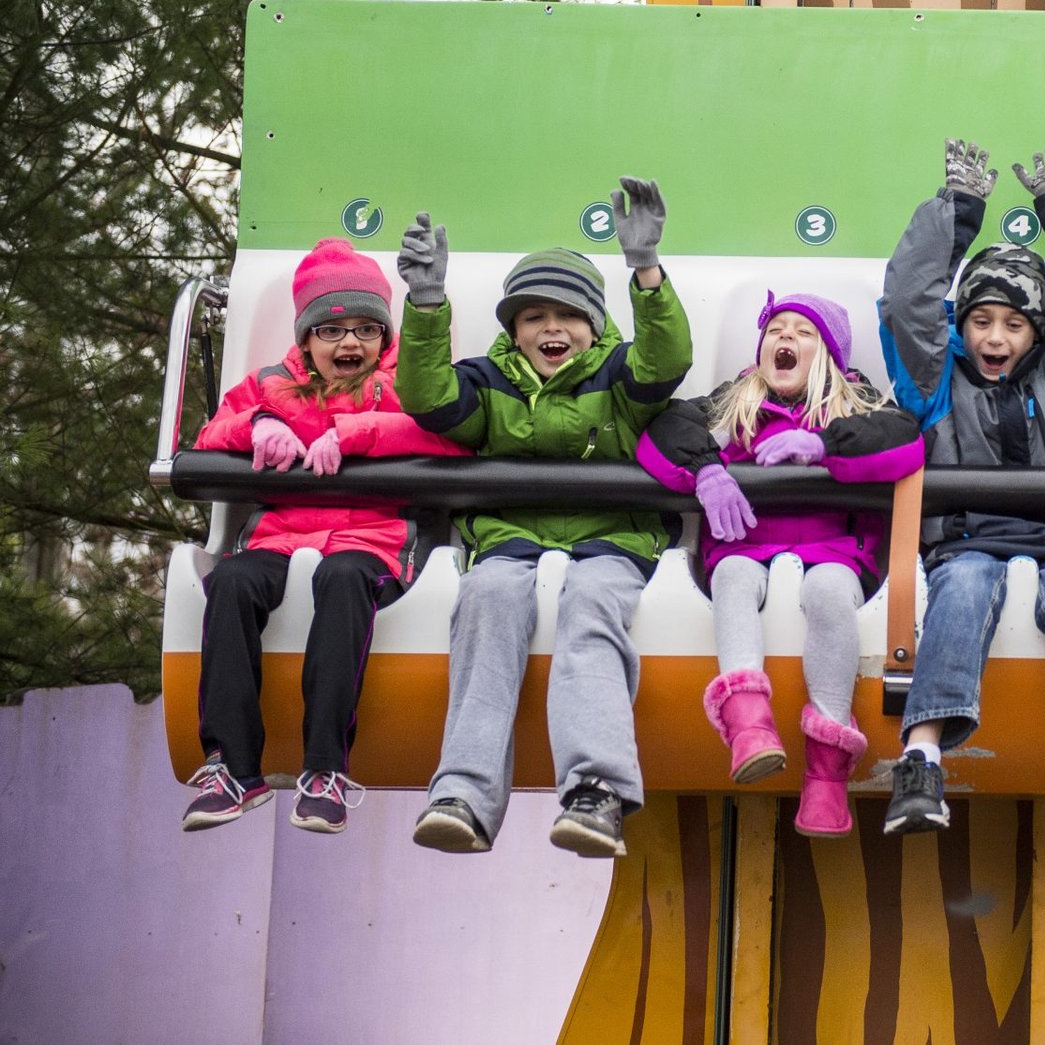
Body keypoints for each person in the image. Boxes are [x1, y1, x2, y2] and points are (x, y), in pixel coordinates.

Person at [397, 178, 692, 858]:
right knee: (487, 598)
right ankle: (464, 792)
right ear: (512, 329)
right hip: (511, 538)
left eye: (568, 315)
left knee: (590, 606)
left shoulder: (619, 377)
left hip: (610, 538)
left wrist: (645, 269)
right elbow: (428, 395)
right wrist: (425, 303)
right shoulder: (490, 382)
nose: (551, 329)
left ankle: (597, 790)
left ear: (594, 325)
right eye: (532, 316)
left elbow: (667, 357)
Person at [876, 138, 1045, 853]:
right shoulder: (937, 384)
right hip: (970, 537)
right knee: (962, 586)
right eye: (981, 320)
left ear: (1039, 331)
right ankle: (923, 757)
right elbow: (907, 298)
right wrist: (957, 212)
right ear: (960, 328)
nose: (996, 336)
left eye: (1014, 322)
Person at [183, 238, 467, 834]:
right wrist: (259, 425)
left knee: (342, 579)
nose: (350, 344)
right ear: (306, 339)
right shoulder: (271, 385)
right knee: (231, 583)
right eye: (333, 331)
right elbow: (211, 433)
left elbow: (449, 435)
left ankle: (325, 768)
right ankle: (233, 765)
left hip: (372, 537)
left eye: (367, 330)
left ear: (385, 340)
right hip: (279, 535)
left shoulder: (407, 387)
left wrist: (358, 432)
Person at [637, 292, 924, 836]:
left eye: (803, 332)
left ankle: (827, 771)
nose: (785, 339)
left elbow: (904, 441)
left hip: (831, 550)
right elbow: (662, 432)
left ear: (831, 356)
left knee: (830, 594)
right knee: (733, 577)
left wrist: (823, 447)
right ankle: (748, 725)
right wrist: (706, 471)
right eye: (776, 330)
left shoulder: (855, 404)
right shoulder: (734, 400)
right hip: (748, 543)